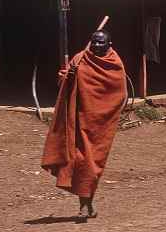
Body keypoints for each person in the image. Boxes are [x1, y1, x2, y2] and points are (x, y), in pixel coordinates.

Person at [41, 30, 128, 219]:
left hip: (101, 124)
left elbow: (119, 93)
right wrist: (69, 76)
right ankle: (84, 206)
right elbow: (62, 80)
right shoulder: (80, 58)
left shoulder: (115, 63)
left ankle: (88, 204)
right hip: (79, 120)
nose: (96, 45)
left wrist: (103, 112)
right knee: (81, 161)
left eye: (101, 43)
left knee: (94, 164)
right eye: (94, 42)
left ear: (109, 44)